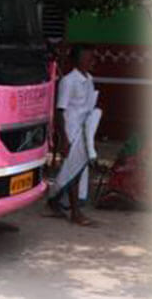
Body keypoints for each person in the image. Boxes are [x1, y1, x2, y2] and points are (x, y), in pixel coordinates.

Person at [48, 45, 104, 225]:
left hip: (83, 130)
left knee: (74, 171)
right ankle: (75, 213)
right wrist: (63, 139)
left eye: (91, 57)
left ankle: (55, 201)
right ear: (77, 60)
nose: (91, 61)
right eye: (87, 58)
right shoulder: (69, 81)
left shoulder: (89, 79)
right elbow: (59, 112)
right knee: (73, 172)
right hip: (71, 132)